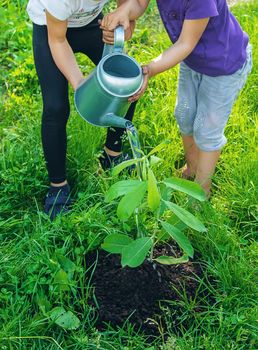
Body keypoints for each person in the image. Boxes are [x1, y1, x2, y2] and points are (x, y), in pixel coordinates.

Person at [101, 0, 252, 197]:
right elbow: (138, 3)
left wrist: (148, 70)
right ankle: (192, 167)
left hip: (224, 66)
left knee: (207, 130)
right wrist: (124, 10)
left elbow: (185, 44)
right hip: (193, 62)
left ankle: (201, 191)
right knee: (184, 114)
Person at [26, 0, 137, 220]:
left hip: (92, 24)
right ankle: (58, 185)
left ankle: (111, 155)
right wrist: (81, 85)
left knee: (126, 86)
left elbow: (129, 6)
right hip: (50, 29)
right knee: (55, 108)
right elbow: (57, 41)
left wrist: (127, 25)